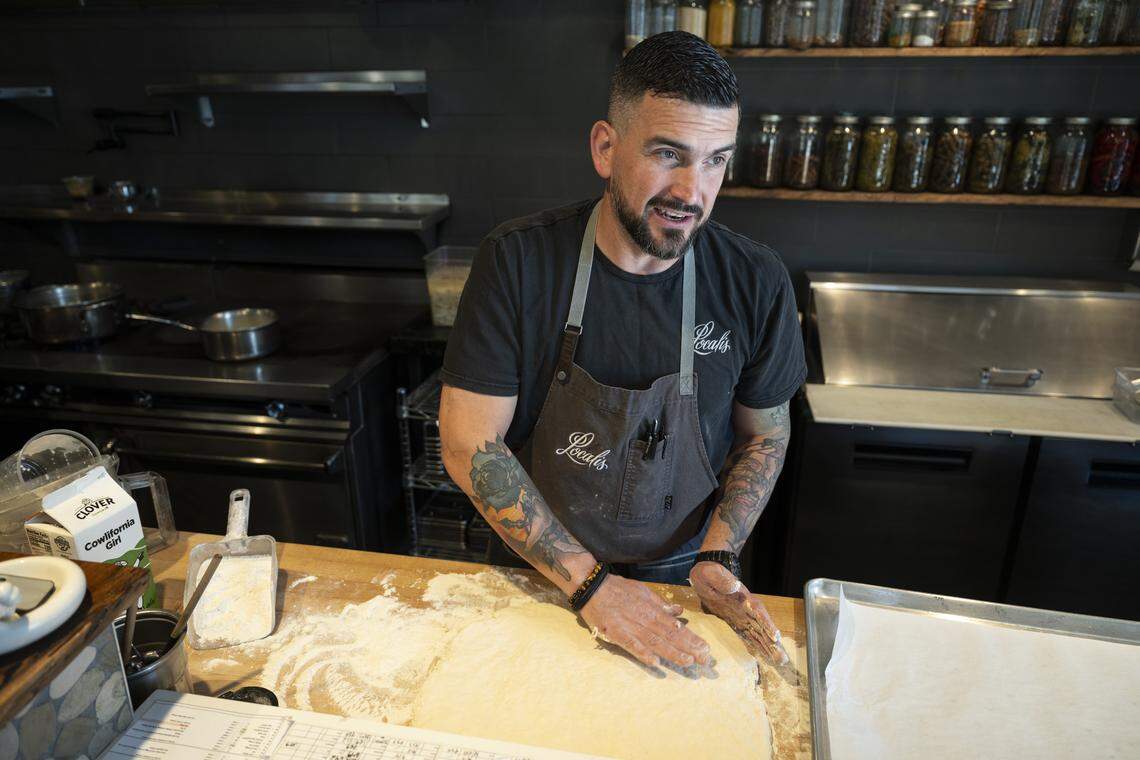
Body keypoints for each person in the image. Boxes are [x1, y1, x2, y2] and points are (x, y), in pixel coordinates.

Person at [438, 31, 806, 673]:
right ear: (605, 148)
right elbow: (469, 442)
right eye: (670, 154)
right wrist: (589, 585)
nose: (693, 193)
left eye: (717, 160)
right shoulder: (519, 262)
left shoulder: (756, 280)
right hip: (543, 567)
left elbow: (765, 436)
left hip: (684, 575)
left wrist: (718, 558)